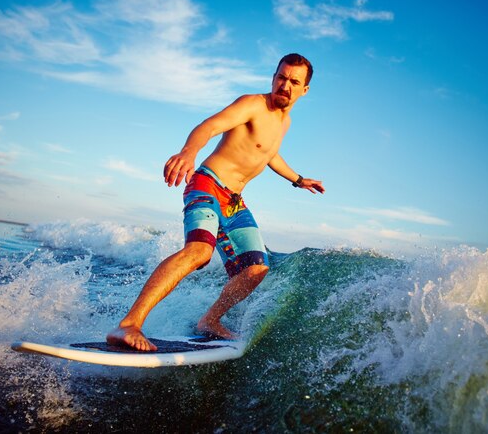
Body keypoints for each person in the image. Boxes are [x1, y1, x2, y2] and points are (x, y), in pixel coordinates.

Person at [107, 53, 325, 351]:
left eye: (293, 81)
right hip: (207, 184)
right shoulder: (252, 104)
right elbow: (210, 126)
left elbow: (268, 153)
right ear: (274, 77)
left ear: (304, 90)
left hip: (234, 202)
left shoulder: (283, 123)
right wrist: (188, 152)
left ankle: (209, 320)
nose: (285, 85)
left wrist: (299, 179)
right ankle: (129, 324)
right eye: (281, 77)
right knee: (198, 252)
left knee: (256, 269)